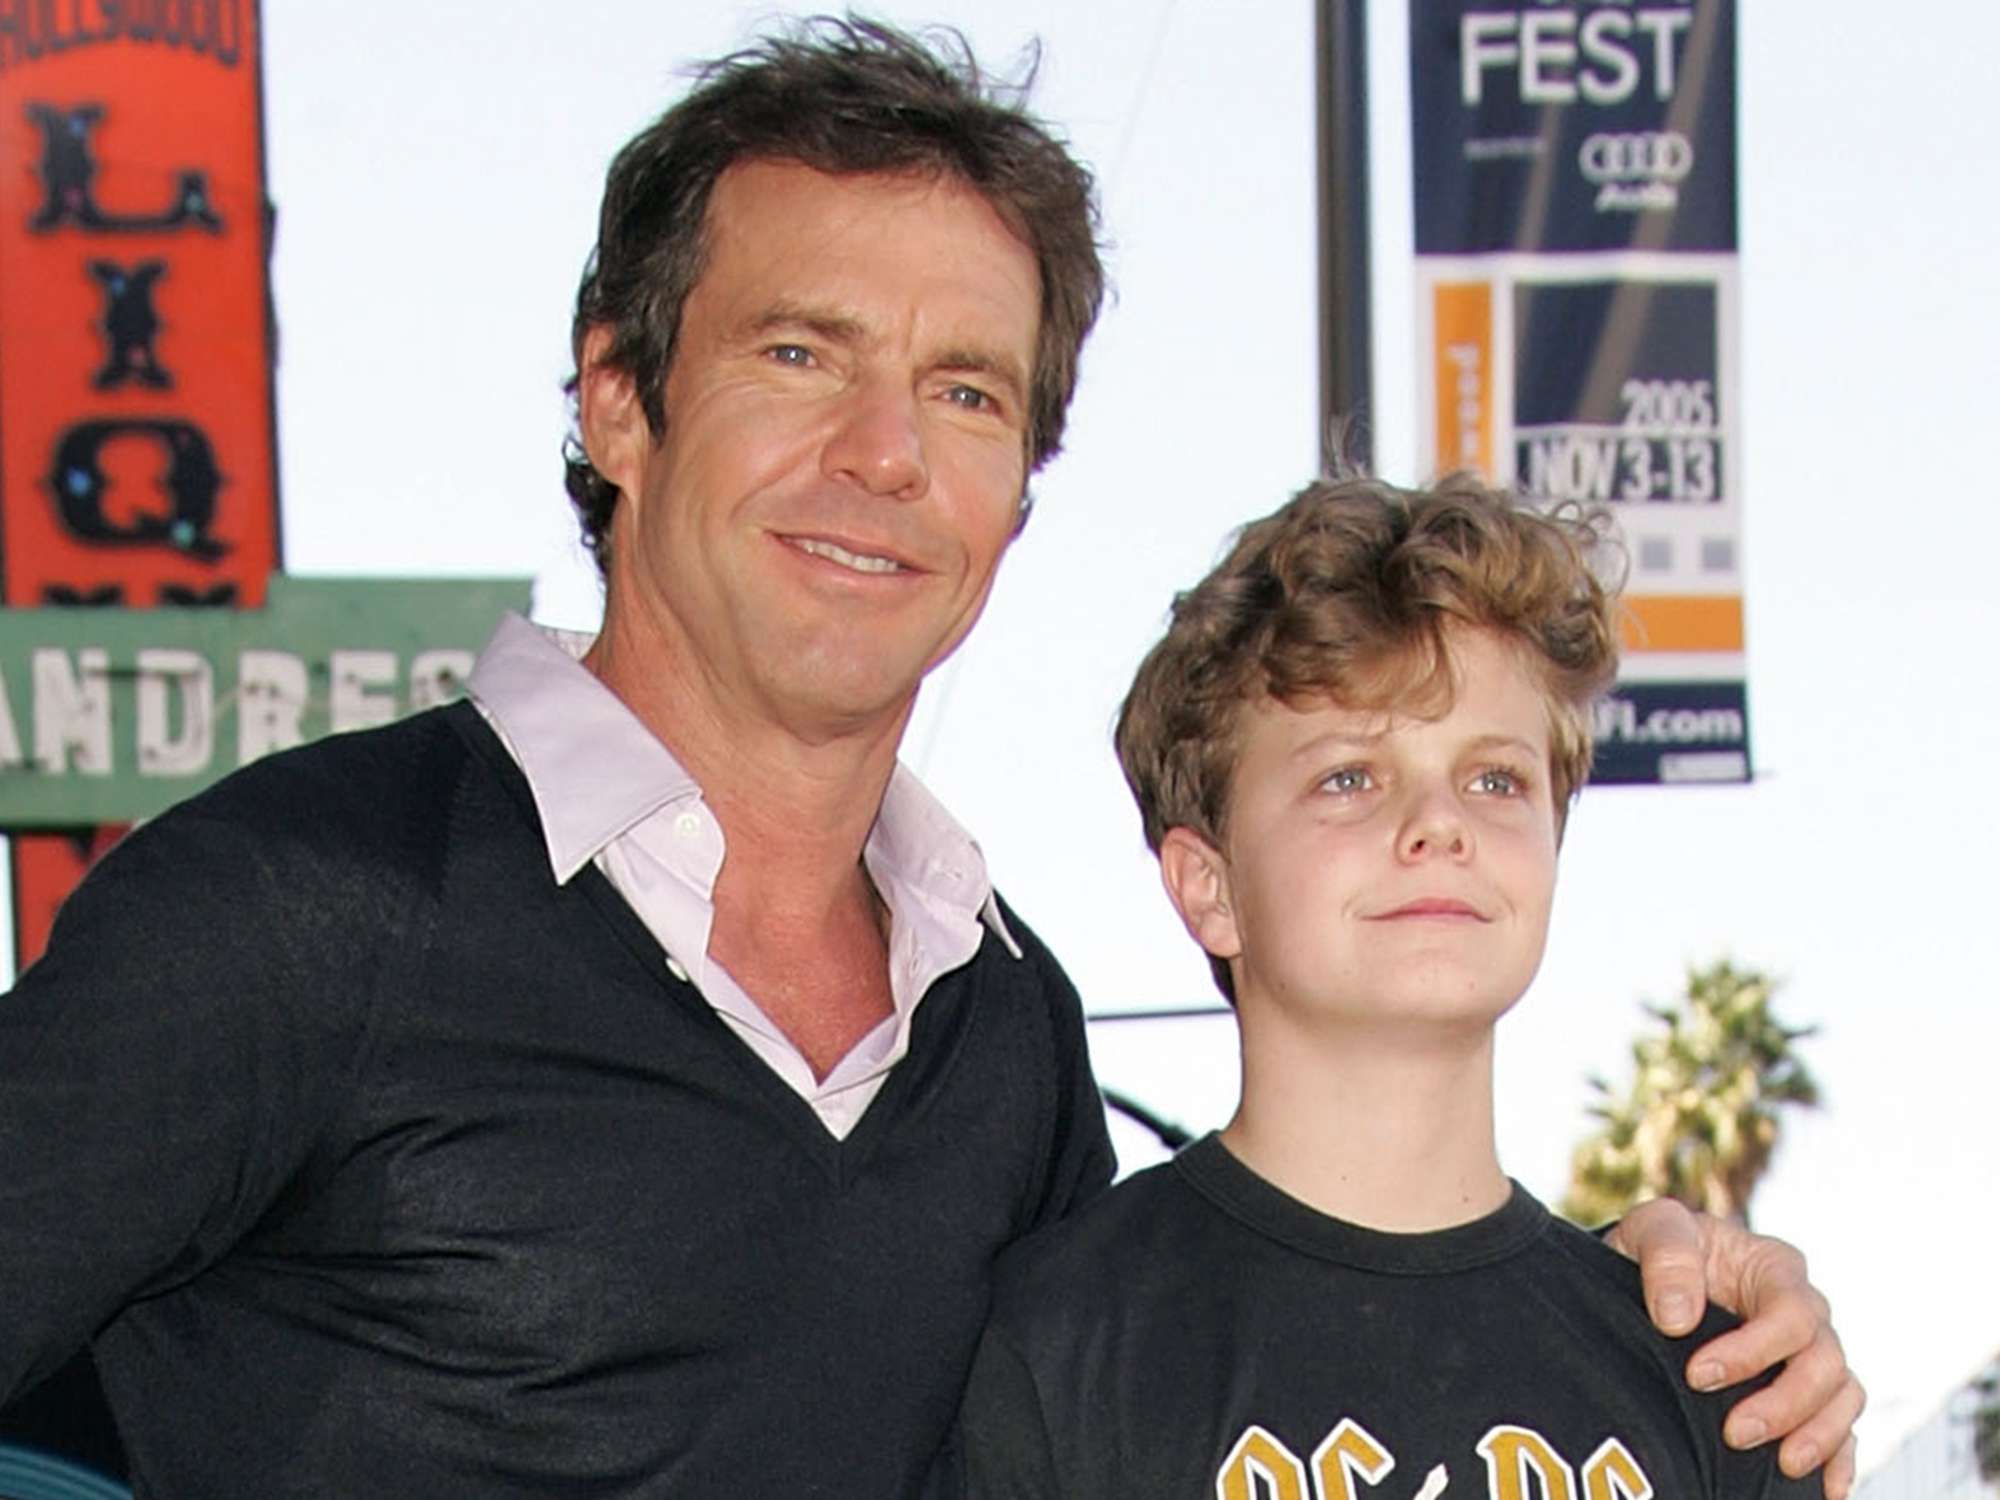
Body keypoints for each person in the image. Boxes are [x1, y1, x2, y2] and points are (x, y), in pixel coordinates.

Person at [0, 18, 1857, 1499]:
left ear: (1019, 494)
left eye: (966, 391)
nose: (886, 453)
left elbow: (1260, 1338)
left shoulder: (1004, 1035)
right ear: (619, 400)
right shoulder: (301, 908)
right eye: (802, 354)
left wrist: (1657, 1300)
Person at [951, 473, 1860, 1499]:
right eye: (1349, 777)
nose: (1440, 823)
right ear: (1209, 888)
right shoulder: (1064, 1341)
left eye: (1493, 779)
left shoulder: (1712, 1376)